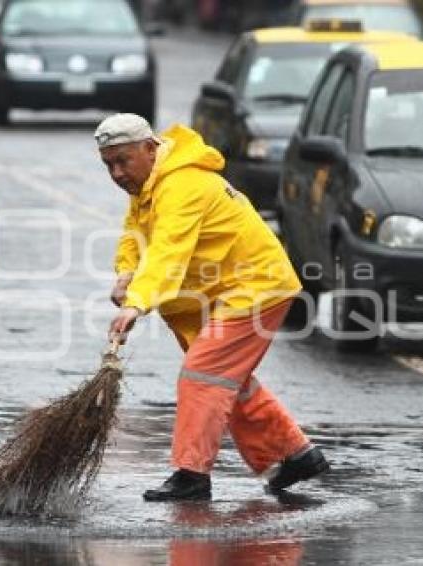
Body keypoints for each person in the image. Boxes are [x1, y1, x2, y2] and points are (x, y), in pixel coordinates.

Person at [96, 113, 330, 501]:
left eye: (123, 161)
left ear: (150, 149)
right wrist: (126, 271)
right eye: (108, 165)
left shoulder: (181, 185)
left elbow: (169, 251)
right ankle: (296, 454)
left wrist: (136, 304)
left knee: (204, 375)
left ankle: (192, 475)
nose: (117, 173)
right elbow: (135, 235)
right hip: (223, 290)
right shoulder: (150, 185)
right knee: (224, 380)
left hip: (255, 286)